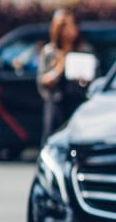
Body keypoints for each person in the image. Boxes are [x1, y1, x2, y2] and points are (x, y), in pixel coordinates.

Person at [37, 8, 93, 144]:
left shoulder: (84, 49)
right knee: (52, 140)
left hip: (77, 102)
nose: (71, 30)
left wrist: (84, 79)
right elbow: (43, 80)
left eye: (73, 25)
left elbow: (93, 78)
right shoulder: (50, 52)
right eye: (66, 26)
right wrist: (59, 68)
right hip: (57, 104)